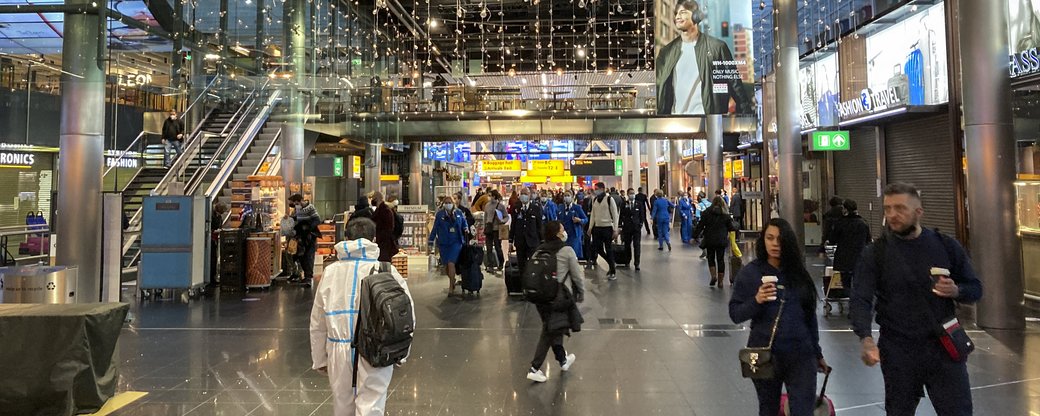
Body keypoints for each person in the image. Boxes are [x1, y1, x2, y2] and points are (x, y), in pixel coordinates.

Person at [851, 183, 982, 416]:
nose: (892, 215)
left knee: (958, 411)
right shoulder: (876, 253)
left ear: (919, 212)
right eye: (888, 208)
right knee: (899, 410)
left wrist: (956, 290)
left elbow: (975, 289)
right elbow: (861, 297)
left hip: (943, 346)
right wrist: (865, 338)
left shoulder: (945, 245)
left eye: (900, 208)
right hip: (898, 348)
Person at [310, 217, 413, 416]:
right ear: (373, 239)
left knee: (342, 406)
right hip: (377, 348)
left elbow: (318, 321)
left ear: (346, 238)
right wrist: (401, 354)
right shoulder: (387, 270)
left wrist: (320, 358)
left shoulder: (330, 272)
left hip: (338, 349)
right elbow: (407, 315)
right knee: (372, 406)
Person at [730, 218, 827, 416]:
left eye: (780, 239)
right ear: (763, 240)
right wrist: (756, 300)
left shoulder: (799, 274)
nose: (775, 244)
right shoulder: (751, 273)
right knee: (768, 408)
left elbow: (809, 316)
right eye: (770, 238)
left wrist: (817, 353)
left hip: (801, 354)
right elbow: (735, 314)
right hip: (765, 354)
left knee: (803, 409)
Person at [655, 0, 753, 115]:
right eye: (676, 13)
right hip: (677, 122)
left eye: (682, 12)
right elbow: (659, 88)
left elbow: (735, 85)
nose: (677, 16)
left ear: (697, 16)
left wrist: (746, 119)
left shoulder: (717, 47)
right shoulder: (666, 52)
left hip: (707, 122)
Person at [526, 221, 585, 383]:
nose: (564, 232)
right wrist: (581, 292)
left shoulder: (540, 249)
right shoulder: (567, 251)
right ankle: (534, 368)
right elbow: (577, 276)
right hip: (557, 297)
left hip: (540, 297)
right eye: (562, 229)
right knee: (549, 330)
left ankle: (563, 360)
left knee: (554, 326)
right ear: (558, 233)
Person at [429, 196, 469, 296]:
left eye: (449, 202)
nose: (448, 204)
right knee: (446, 265)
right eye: (446, 202)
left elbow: (464, 223)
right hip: (443, 243)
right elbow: (435, 228)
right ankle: (452, 278)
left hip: (456, 242)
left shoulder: (459, 213)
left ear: (453, 203)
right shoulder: (439, 214)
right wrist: (431, 240)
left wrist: (466, 228)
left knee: (451, 263)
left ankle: (451, 287)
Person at [694, 196, 737, 287]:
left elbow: (700, 225)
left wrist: (695, 235)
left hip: (709, 239)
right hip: (721, 240)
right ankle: (720, 282)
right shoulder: (725, 215)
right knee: (720, 259)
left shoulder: (706, 213)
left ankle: (713, 276)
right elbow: (731, 228)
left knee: (711, 258)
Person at [829, 199, 870, 286]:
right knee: (858, 282)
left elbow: (832, 239)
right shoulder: (863, 223)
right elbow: (868, 240)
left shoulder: (840, 223)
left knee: (845, 282)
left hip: (843, 258)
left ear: (845, 209)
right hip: (859, 257)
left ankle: (848, 296)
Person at [587, 182, 620, 280]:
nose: (595, 190)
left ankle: (612, 271)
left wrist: (615, 229)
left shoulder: (610, 199)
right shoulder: (595, 200)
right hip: (597, 228)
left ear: (602, 189)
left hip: (607, 228)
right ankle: (611, 263)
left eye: (597, 188)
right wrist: (590, 227)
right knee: (598, 249)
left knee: (608, 248)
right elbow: (593, 214)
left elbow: (615, 215)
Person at [509, 188, 544, 273]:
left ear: (529, 195)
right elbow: (513, 225)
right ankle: (523, 284)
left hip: (532, 242)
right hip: (520, 242)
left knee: (533, 265)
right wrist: (510, 240)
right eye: (522, 194)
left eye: (525, 194)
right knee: (521, 265)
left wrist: (542, 241)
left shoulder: (536, 208)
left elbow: (539, 226)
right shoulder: (516, 208)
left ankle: (531, 284)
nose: (523, 196)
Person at [290, 194, 321, 286]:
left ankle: (308, 277)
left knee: (308, 256)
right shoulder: (298, 209)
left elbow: (317, 220)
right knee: (300, 256)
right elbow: (297, 218)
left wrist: (308, 228)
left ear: (300, 201)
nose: (295, 205)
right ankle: (306, 276)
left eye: (296, 203)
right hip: (301, 237)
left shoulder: (310, 208)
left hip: (310, 236)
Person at [558, 191, 588, 262]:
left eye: (568, 195)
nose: (566, 197)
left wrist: (580, 220)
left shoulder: (577, 207)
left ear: (572, 197)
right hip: (563, 235)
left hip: (574, 235)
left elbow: (586, 219)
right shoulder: (560, 207)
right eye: (565, 195)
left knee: (573, 256)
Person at [618, 191, 643, 270]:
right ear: (628, 194)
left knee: (637, 245)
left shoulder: (638, 203)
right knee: (627, 245)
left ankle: (637, 263)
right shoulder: (624, 204)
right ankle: (627, 261)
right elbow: (621, 215)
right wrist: (620, 226)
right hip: (627, 228)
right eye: (630, 193)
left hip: (636, 228)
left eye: (633, 193)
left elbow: (642, 214)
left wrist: (641, 223)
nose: (632, 195)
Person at [371, 191, 399, 262]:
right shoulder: (382, 209)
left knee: (384, 262)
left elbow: (388, 227)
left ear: (377, 199)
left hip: (384, 243)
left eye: (373, 198)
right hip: (383, 242)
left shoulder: (384, 210)